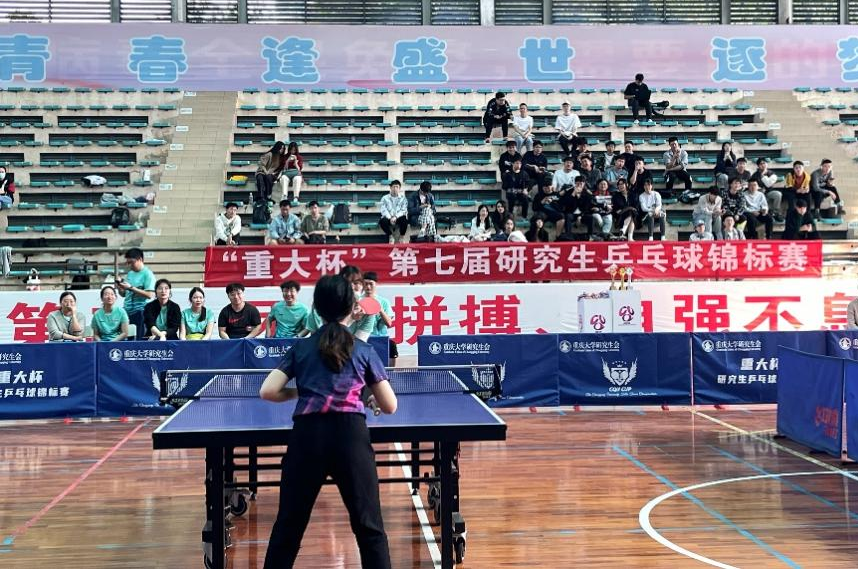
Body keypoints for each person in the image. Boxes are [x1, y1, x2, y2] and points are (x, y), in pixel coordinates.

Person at [259, 275, 397, 569]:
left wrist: (302, 391)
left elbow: (268, 391)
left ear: (317, 309)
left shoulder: (301, 348)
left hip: (307, 438)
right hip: (350, 438)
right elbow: (390, 405)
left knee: (288, 527)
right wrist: (365, 397)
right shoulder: (363, 350)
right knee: (369, 528)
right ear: (351, 307)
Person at [116, 247, 155, 341]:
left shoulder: (148, 274)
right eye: (128, 263)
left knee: (139, 340)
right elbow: (124, 294)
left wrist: (130, 287)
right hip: (127, 311)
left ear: (140, 259)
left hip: (141, 311)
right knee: (128, 340)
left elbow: (150, 295)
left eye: (131, 262)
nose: (129, 265)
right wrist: (120, 287)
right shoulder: (130, 274)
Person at [362, 272, 396, 367]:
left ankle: (390, 374)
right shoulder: (358, 301)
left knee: (392, 345)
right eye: (366, 284)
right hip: (363, 338)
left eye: (371, 284)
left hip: (380, 338)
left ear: (376, 284)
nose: (368, 287)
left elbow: (389, 324)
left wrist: (380, 310)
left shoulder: (384, 302)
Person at [378, 179, 408, 244]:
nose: (395, 189)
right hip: (389, 218)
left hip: (398, 218)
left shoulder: (403, 198)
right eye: (393, 187)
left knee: (404, 220)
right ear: (390, 187)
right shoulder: (384, 198)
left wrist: (395, 217)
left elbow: (403, 210)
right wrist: (390, 218)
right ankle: (390, 236)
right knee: (382, 221)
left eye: (397, 187)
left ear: (399, 188)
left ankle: (402, 237)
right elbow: (383, 210)